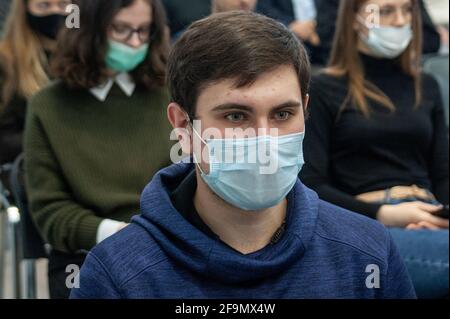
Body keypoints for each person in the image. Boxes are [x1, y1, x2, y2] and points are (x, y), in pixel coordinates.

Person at [71, 11, 415, 299]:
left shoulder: (367, 255)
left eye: (283, 114)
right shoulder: (116, 276)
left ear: (305, 111)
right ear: (182, 125)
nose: (264, 140)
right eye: (235, 116)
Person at [300, 0, 449, 299]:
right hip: (366, 226)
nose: (400, 20)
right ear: (355, 18)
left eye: (408, 11)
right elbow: (311, 186)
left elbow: (444, 174)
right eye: (385, 11)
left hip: (429, 217)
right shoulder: (323, 88)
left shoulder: (427, 85)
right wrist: (384, 214)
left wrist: (441, 216)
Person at [25, 0, 173, 299]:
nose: (135, 42)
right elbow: (50, 212)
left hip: (169, 247)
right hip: (86, 255)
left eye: (144, 31)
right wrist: (116, 234)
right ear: (88, 29)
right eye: (121, 30)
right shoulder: (48, 106)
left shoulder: (169, 95)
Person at [0, 0, 70, 187]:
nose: (55, 12)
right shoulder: (6, 61)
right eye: (44, 5)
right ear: (26, 10)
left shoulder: (85, 57)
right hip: (31, 172)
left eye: (63, 5)